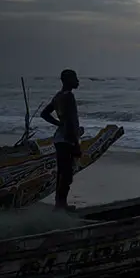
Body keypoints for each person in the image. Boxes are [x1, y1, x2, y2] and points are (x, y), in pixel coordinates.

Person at [40, 69, 83, 211]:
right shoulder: (69, 96)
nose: (77, 81)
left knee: (62, 172)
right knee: (67, 174)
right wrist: (76, 144)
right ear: (66, 80)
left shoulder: (58, 96)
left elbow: (44, 114)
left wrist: (59, 124)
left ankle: (60, 204)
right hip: (67, 139)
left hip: (60, 138)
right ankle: (60, 204)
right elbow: (70, 121)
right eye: (74, 78)